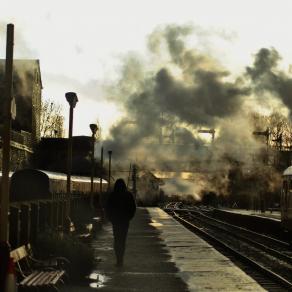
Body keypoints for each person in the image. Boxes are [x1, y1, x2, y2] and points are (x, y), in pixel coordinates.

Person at [106, 178, 136, 267]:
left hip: (116, 221)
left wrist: (111, 219)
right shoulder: (129, 195)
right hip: (124, 222)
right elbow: (133, 208)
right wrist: (128, 218)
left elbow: (108, 208)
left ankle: (118, 259)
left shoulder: (112, 195)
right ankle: (121, 259)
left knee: (116, 239)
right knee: (122, 240)